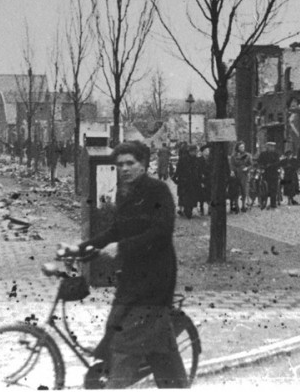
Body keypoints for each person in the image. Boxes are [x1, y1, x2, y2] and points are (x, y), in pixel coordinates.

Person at [75, 141, 188, 388]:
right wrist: (82, 247)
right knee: (150, 342)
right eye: (120, 165)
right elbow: (116, 230)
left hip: (156, 278)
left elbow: (161, 232)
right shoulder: (125, 193)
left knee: (126, 342)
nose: (124, 169)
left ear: (144, 164)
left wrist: (122, 247)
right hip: (132, 276)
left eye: (130, 163)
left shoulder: (158, 191)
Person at [174, 144, 202, 219]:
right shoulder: (183, 159)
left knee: (192, 197)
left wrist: (200, 178)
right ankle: (187, 211)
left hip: (193, 181)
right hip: (185, 181)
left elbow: (199, 170)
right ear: (191, 151)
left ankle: (189, 210)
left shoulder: (196, 159)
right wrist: (175, 177)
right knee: (186, 196)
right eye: (195, 151)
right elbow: (178, 169)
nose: (196, 153)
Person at [229, 142, 253, 213]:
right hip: (236, 174)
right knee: (236, 190)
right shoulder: (234, 155)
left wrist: (247, 168)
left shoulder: (247, 155)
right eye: (241, 147)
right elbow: (232, 164)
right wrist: (232, 171)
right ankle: (236, 206)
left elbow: (251, 164)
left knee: (243, 190)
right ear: (238, 148)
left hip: (244, 174)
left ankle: (243, 205)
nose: (242, 148)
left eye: (243, 147)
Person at [257, 142, 281, 209]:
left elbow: (278, 163)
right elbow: (259, 162)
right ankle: (262, 201)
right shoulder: (263, 154)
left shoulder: (276, 154)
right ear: (267, 147)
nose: (272, 148)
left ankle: (273, 204)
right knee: (264, 187)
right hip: (266, 173)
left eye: (273, 147)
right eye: (270, 146)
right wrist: (262, 166)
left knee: (274, 188)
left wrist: (271, 165)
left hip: (274, 173)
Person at [198, 145, 212, 216]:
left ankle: (210, 208)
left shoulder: (211, 159)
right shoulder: (199, 160)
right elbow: (198, 169)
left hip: (209, 179)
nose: (207, 152)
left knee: (209, 194)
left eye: (208, 150)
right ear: (202, 152)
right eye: (206, 151)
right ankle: (201, 208)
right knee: (201, 195)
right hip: (202, 179)